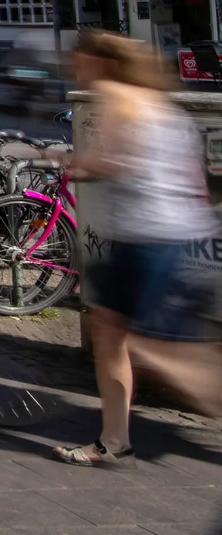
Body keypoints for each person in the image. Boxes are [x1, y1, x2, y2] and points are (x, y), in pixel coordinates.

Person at [53, 31, 220, 467]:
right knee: (114, 335)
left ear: (98, 61)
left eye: (80, 60)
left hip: (146, 237)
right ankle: (114, 440)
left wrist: (66, 159)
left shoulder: (114, 95)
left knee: (158, 347)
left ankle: (116, 439)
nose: (76, 68)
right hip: (166, 233)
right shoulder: (159, 101)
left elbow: (116, 161)